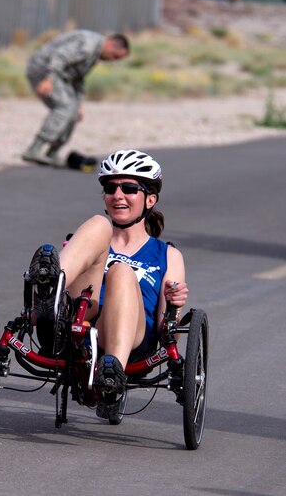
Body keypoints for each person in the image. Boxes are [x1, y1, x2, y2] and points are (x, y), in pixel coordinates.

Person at [27, 149, 188, 422]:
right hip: (79, 318)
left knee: (121, 272)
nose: (118, 195)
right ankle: (50, 295)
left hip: (131, 336)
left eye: (129, 188)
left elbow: (167, 330)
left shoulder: (167, 255)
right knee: (99, 224)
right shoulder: (93, 237)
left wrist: (175, 302)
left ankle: (113, 376)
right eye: (110, 188)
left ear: (150, 199)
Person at [23, 30, 129, 166]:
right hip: (45, 70)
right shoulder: (87, 45)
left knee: (72, 113)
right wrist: (48, 79)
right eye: (115, 56)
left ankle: (52, 152)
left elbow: (78, 79)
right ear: (111, 45)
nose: (112, 61)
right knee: (64, 107)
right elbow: (60, 56)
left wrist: (79, 104)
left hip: (60, 75)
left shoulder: (94, 54)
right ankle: (34, 149)